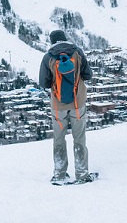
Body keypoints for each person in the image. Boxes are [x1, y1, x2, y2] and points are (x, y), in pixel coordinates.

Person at [38, 29, 93, 183]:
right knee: (79, 138)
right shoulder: (77, 53)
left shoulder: (48, 57)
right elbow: (88, 75)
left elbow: (44, 82)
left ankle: (59, 174)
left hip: (58, 106)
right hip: (77, 104)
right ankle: (82, 174)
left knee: (59, 139)